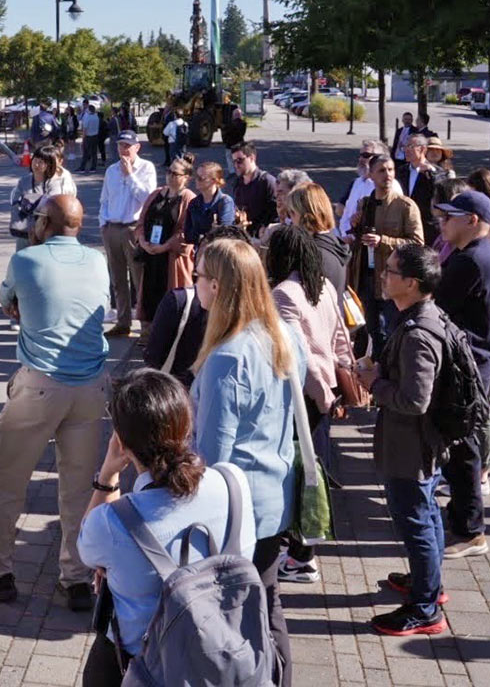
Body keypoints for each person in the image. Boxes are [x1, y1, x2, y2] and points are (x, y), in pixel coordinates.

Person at [77, 369, 256, 686]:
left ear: (122, 441)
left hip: (144, 666)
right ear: (187, 425)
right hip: (224, 654)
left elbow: (89, 553)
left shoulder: (112, 521)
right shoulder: (233, 482)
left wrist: (107, 476)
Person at [0, 195, 112, 610]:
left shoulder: (26, 260)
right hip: (91, 387)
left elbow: (7, 303)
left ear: (45, 222)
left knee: (6, 479)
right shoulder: (98, 261)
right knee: (78, 488)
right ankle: (75, 578)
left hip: (40, 384)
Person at [191, 236, 307, 667]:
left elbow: (212, 454)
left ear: (217, 287)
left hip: (235, 511)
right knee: (268, 603)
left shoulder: (227, 356)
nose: (194, 282)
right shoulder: (284, 335)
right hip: (276, 497)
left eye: (199, 275)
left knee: (237, 615)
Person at [356, 244, 450, 635]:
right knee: (425, 512)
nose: (384, 275)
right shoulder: (421, 316)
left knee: (415, 519)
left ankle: (426, 608)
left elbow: (414, 399)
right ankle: (429, 583)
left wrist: (374, 382)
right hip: (419, 442)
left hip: (410, 444)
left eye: (392, 271)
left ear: (411, 283)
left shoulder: (417, 334)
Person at [265, 223, 351, 584]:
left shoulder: (284, 293)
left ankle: (303, 557)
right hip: (327, 391)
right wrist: (344, 382)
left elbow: (300, 356)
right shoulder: (324, 285)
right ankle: (303, 546)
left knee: (304, 473)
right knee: (315, 466)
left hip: (306, 397)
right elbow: (342, 337)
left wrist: (324, 396)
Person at [433, 190, 490, 559]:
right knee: (460, 448)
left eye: (450, 217)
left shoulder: (471, 260)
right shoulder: (470, 255)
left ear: (472, 220)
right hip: (471, 362)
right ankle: (461, 518)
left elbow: (437, 306)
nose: (442, 222)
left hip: (468, 366)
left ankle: (470, 531)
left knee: (463, 449)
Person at [141, 225, 253, 387]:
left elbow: (153, 357)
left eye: (205, 258)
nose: (195, 257)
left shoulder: (179, 301)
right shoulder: (267, 323)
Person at [349, 154, 424, 358]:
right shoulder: (364, 204)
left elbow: (417, 244)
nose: (388, 175)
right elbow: (357, 241)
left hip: (392, 280)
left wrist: (384, 241)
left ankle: (389, 374)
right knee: (369, 329)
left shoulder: (405, 206)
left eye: (391, 170)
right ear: (371, 175)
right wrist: (354, 228)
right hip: (365, 277)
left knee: (389, 332)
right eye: (382, 171)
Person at [98, 131, 157, 337]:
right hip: (112, 227)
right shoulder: (111, 170)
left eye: (128, 146)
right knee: (118, 279)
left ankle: (146, 327)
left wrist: (130, 175)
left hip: (133, 228)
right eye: (121, 145)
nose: (124, 150)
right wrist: (103, 223)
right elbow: (105, 199)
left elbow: (147, 198)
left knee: (139, 278)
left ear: (137, 147)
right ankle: (123, 322)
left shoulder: (146, 168)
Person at [134, 154, 197, 326]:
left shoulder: (188, 198)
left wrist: (165, 246)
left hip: (171, 259)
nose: (170, 176)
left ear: (186, 178)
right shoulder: (156, 194)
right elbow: (141, 221)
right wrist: (143, 242)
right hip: (151, 255)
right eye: (169, 172)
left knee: (171, 299)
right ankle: (147, 334)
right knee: (148, 296)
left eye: (175, 174)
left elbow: (186, 231)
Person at [287, 182, 350, 301]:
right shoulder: (336, 244)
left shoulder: (311, 254)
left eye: (292, 213)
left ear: (306, 216)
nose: (290, 219)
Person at [9, 145, 75, 249]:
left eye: (41, 162)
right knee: (22, 260)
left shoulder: (56, 183)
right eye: (35, 160)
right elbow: (16, 205)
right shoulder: (24, 181)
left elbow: (51, 208)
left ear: (50, 165)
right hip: (24, 232)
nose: (36, 164)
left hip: (47, 235)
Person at [336, 139, 401, 239]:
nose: (361, 159)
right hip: (351, 242)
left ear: (381, 158)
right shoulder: (357, 182)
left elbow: (394, 222)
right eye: (360, 155)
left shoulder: (391, 185)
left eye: (366, 155)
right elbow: (346, 214)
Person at [229, 142, 277, 238]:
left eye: (240, 160)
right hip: (243, 234)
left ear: (252, 158)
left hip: (263, 237)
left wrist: (264, 228)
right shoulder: (237, 183)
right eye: (233, 161)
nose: (236, 165)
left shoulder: (267, 182)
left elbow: (277, 214)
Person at [184, 160, 237, 244]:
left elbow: (225, 233)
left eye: (201, 178)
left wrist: (201, 237)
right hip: (200, 253)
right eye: (196, 177)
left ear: (214, 181)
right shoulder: (194, 203)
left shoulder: (225, 202)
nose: (196, 180)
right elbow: (188, 236)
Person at [401, 134, 439, 244]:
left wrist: (431, 174)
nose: (406, 150)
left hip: (426, 228)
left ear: (422, 149)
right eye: (405, 147)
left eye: (410, 146)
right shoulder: (401, 171)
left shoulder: (434, 172)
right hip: (405, 226)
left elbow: (440, 191)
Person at [80, 103, 102, 172]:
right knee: (94, 153)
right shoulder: (96, 117)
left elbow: (85, 129)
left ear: (89, 110)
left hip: (88, 136)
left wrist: (83, 139)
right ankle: (93, 167)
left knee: (86, 153)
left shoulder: (88, 117)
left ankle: (82, 167)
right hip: (95, 136)